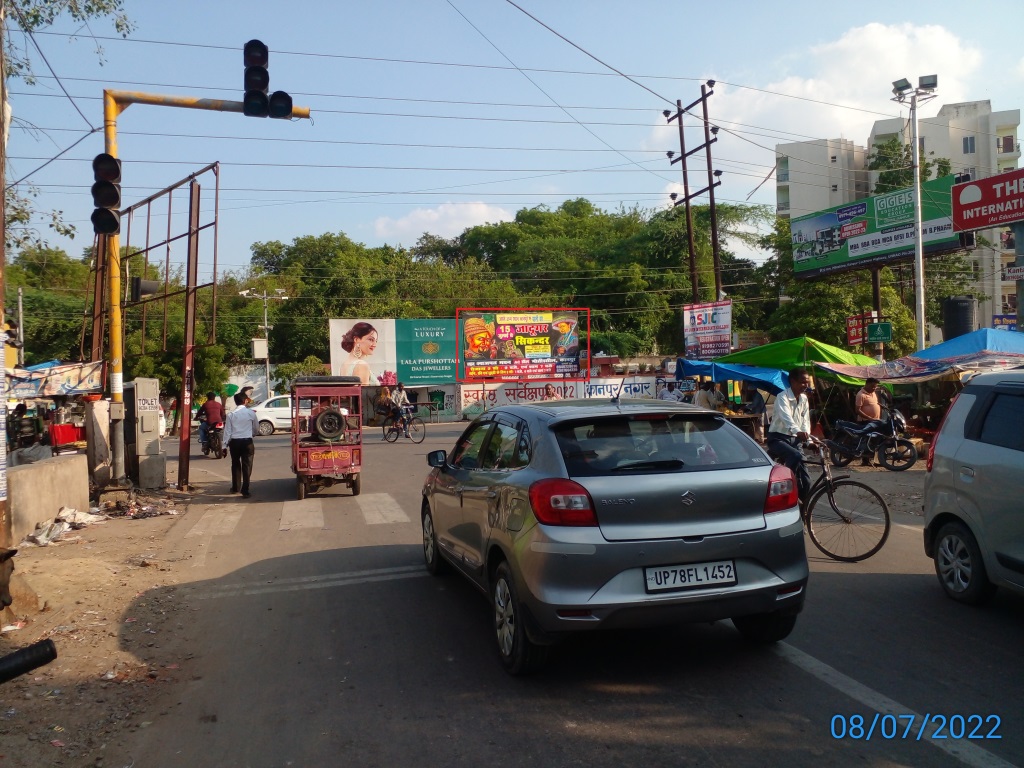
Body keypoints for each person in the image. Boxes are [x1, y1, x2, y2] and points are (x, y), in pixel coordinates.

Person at [766, 368, 813, 501]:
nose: (806, 385)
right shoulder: (783, 397)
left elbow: (805, 421)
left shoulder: (804, 399)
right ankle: (784, 483)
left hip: (795, 440)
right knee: (795, 456)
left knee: (806, 481)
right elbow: (787, 418)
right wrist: (797, 431)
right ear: (792, 381)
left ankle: (802, 509)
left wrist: (809, 442)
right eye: (803, 382)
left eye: (807, 382)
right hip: (777, 438)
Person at [224, 392, 259, 498]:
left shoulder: (231, 414)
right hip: (247, 442)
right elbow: (256, 428)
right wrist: (251, 435)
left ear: (235, 402)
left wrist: (224, 446)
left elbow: (227, 431)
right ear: (245, 401)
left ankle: (235, 488)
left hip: (234, 443)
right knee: (247, 465)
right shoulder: (251, 413)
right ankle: (245, 489)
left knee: (235, 464)